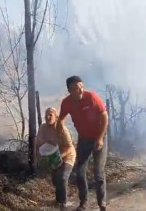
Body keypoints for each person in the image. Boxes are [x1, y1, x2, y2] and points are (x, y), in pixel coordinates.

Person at [57, 76, 108, 211]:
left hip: (99, 136)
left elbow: (104, 116)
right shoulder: (66, 103)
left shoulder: (91, 97)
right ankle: (83, 202)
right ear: (69, 90)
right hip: (84, 139)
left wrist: (100, 138)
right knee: (80, 172)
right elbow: (60, 120)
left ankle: (102, 203)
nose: (79, 91)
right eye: (75, 88)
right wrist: (60, 137)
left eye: (81, 87)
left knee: (98, 173)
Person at [36, 107, 76, 210]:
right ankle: (58, 200)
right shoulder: (43, 128)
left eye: (50, 115)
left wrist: (59, 156)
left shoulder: (62, 128)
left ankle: (62, 204)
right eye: (46, 115)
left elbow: (69, 146)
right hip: (53, 155)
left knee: (62, 177)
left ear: (56, 117)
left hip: (67, 155)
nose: (48, 117)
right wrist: (40, 156)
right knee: (55, 180)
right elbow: (38, 143)